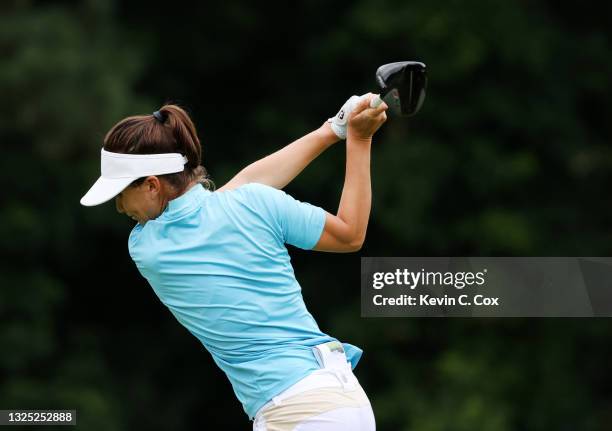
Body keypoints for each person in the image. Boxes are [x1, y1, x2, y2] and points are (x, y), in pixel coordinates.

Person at [80, 94, 388, 430]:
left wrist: (342, 132)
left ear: (152, 185)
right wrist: (348, 135)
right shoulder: (254, 203)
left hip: (293, 412)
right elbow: (349, 233)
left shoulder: (146, 247)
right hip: (344, 399)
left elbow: (239, 188)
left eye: (121, 194)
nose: (120, 208)